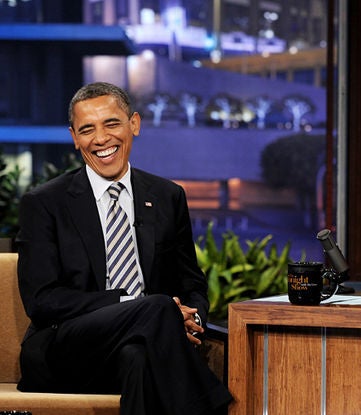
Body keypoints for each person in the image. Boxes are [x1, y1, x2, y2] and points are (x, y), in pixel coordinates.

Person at [15, 82, 232, 414]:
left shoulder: (167, 196)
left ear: (134, 124)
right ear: (74, 138)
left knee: (138, 355)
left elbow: (192, 284)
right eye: (87, 129)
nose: (101, 139)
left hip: (142, 345)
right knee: (158, 307)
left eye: (111, 124)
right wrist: (136, 305)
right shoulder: (45, 203)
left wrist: (191, 320)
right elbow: (42, 301)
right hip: (66, 349)